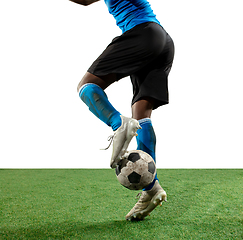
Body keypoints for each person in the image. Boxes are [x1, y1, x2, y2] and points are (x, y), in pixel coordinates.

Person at [69, 0, 175, 221]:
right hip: (162, 40)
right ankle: (151, 189)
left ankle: (119, 125)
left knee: (87, 87)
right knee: (142, 114)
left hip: (143, 33)